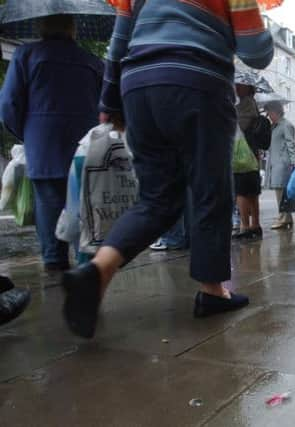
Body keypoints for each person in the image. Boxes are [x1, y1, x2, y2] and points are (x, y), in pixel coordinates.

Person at [60, 0, 274, 338]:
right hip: (198, 81)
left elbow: (118, 41)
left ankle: (98, 271)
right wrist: (259, 23)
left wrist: (109, 101)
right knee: (210, 191)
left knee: (156, 198)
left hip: (138, 85)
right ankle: (213, 291)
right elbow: (256, 51)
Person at [0, 15, 103, 272]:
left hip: (43, 140)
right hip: (85, 140)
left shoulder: (26, 55)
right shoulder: (91, 61)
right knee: (83, 199)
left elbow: (9, 104)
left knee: (48, 199)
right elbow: (105, 103)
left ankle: (54, 259)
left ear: (40, 27)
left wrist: (25, 133)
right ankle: (86, 259)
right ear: (72, 29)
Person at [232, 83, 263, 241]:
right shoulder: (252, 104)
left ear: (247, 88)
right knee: (252, 192)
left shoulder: (245, 105)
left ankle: (245, 226)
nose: (236, 87)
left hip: (243, 154)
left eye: (239, 85)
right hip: (252, 154)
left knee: (242, 191)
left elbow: (238, 126)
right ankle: (255, 225)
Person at [264, 101, 295, 229]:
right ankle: (287, 217)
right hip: (275, 162)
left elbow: (291, 144)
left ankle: (283, 218)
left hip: (283, 163)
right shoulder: (274, 126)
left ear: (276, 112)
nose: (268, 116)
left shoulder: (286, 125)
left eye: (269, 113)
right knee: (281, 191)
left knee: (281, 191)